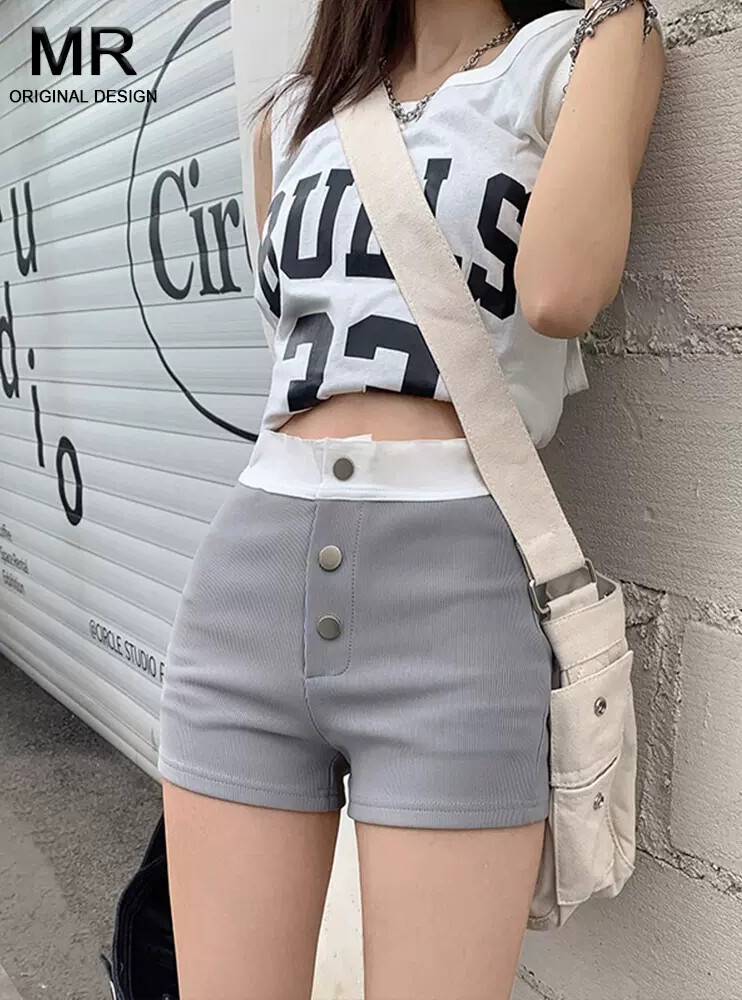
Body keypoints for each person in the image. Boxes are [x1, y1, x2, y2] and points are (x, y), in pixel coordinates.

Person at [157, 0, 665, 997]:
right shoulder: (289, 117)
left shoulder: (582, 51)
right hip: (245, 600)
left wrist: (623, 38)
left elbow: (560, 291)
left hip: (454, 610)